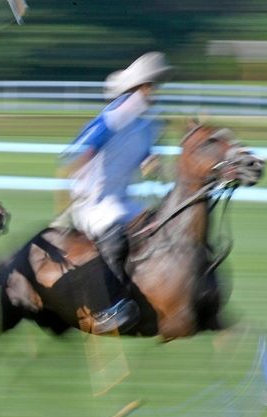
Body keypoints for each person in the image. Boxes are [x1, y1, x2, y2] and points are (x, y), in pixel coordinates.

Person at [63, 51, 172, 334]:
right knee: (114, 238)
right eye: (151, 85)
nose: (155, 91)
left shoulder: (148, 124)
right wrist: (79, 176)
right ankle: (106, 309)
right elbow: (78, 153)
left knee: (162, 227)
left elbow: (146, 158)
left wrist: (153, 165)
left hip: (125, 200)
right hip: (96, 202)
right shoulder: (113, 117)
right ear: (139, 87)